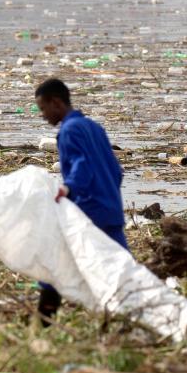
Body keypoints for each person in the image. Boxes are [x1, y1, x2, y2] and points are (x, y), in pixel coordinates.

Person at [33, 77, 128, 323]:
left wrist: (67, 189)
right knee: (121, 268)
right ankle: (125, 317)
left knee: (54, 262)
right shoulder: (94, 127)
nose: (43, 115)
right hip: (111, 209)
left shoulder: (68, 130)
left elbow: (81, 167)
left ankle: (43, 321)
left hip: (89, 211)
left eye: (43, 108)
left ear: (56, 103)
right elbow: (116, 171)